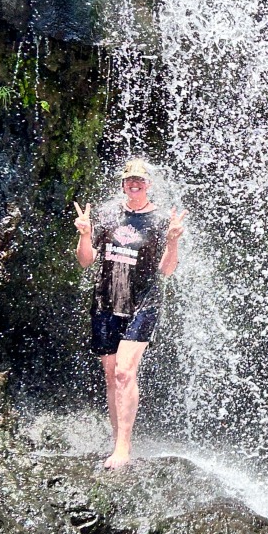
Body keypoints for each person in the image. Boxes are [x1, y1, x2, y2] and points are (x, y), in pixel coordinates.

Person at [73, 158, 186, 469]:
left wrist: (173, 241)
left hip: (143, 303)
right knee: (111, 376)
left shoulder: (162, 221)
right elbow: (86, 261)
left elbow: (166, 269)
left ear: (148, 185)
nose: (134, 184)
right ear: (123, 184)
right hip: (106, 302)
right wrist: (84, 234)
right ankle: (117, 442)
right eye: (128, 180)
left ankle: (124, 448)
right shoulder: (108, 215)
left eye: (140, 180)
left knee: (125, 371)